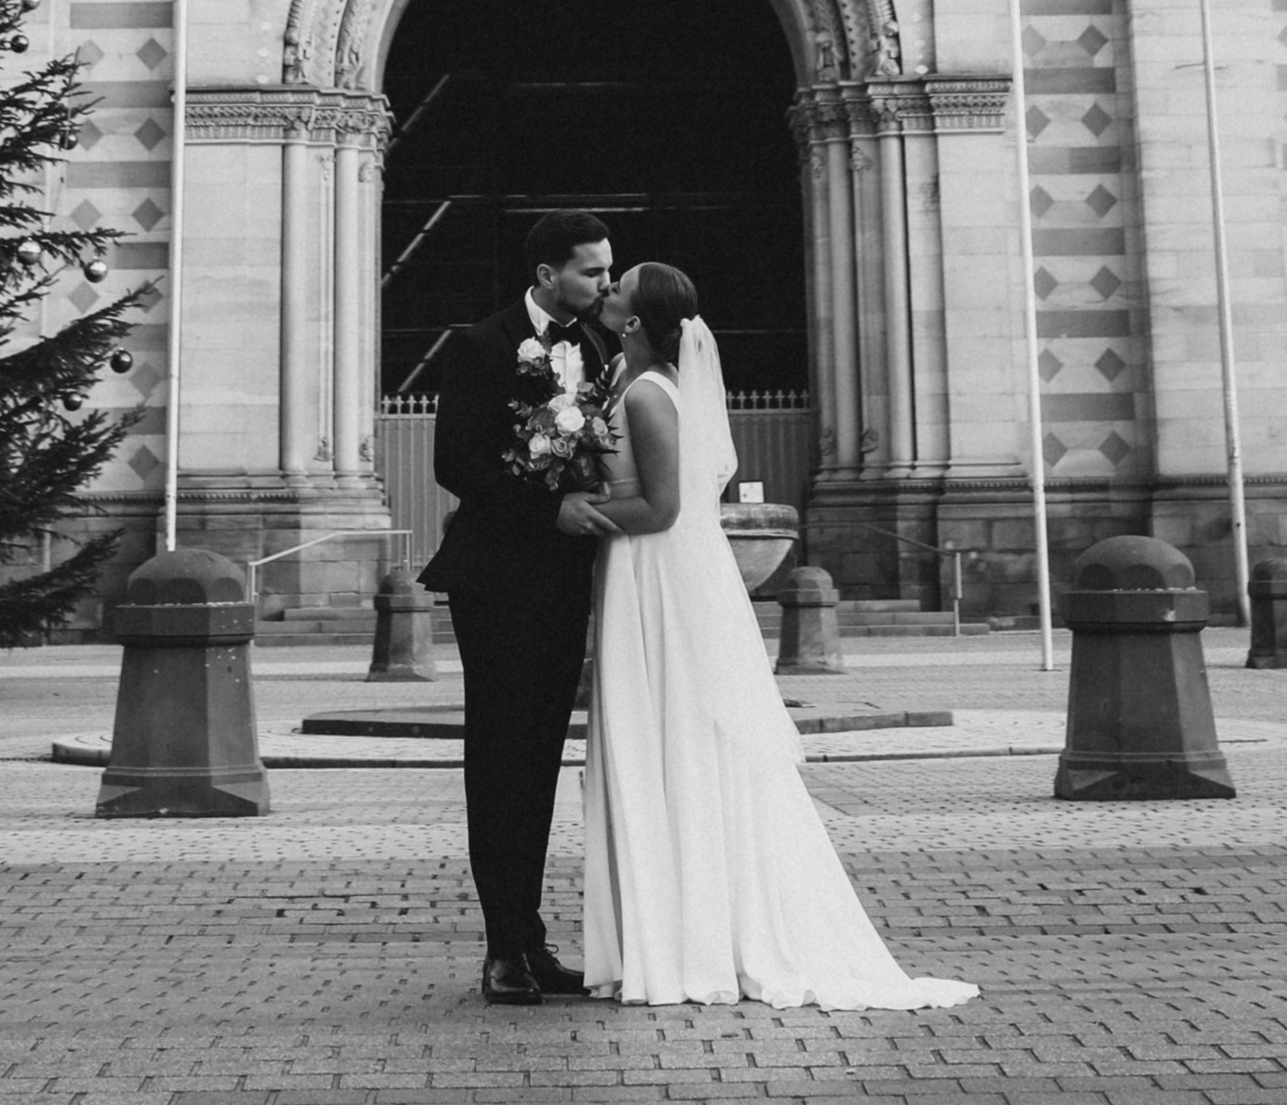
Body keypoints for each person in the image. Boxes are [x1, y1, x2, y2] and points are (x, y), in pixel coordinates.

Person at [571, 261, 978, 1011]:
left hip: (652, 573)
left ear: (635, 318)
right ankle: (670, 932)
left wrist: (572, 509)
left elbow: (661, 509)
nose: (609, 286)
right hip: (642, 576)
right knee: (662, 738)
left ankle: (689, 943)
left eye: (621, 283)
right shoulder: (637, 386)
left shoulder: (648, 394)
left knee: (672, 739)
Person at [418, 210, 617, 1005]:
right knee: (499, 760)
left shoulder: (596, 348)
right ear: (547, 275)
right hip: (495, 580)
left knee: (539, 762)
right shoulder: (482, 346)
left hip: (563, 581)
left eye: (607, 271)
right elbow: (456, 463)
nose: (606, 283)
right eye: (593, 272)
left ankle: (532, 941)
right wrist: (548, 512)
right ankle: (503, 948)